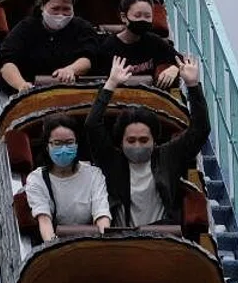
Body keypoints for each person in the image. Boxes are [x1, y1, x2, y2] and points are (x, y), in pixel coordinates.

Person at [85, 55, 211, 227]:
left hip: (161, 236)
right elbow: (92, 125)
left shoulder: (168, 157)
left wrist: (193, 86)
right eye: (131, 140)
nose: (137, 145)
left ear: (154, 140)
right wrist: (111, 84)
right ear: (121, 142)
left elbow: (200, 129)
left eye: (144, 140)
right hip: (122, 236)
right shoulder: (112, 161)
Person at [0, 0, 99, 92]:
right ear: (43, 6)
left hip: (71, 92)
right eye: (55, 9)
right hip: (29, 92)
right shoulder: (26, 27)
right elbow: (6, 62)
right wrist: (21, 85)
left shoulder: (83, 27)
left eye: (66, 9)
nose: (60, 14)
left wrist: (71, 70)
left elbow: (88, 58)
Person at [24, 113, 112, 242]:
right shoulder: (37, 179)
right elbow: (44, 220)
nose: (64, 149)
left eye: (69, 143)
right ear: (47, 146)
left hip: (91, 242)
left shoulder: (94, 174)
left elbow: (102, 215)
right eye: (57, 143)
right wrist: (52, 245)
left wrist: (104, 241)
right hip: (56, 244)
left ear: (76, 144)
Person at [101, 0, 180, 88]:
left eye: (147, 16)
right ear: (124, 17)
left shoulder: (154, 41)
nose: (143, 20)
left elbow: (182, 60)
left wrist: (174, 68)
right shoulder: (109, 46)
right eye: (137, 16)